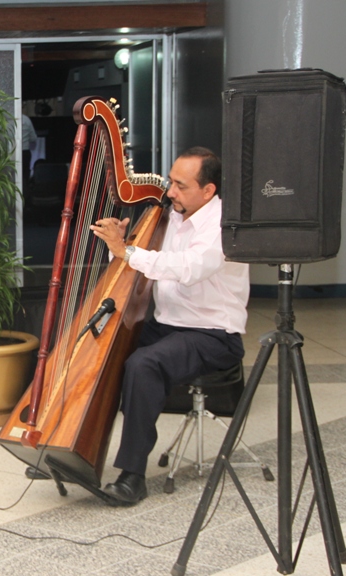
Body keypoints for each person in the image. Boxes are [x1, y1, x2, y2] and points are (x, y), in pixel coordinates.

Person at [89, 147, 250, 506]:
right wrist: (121, 244)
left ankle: (132, 476)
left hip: (213, 333)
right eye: (171, 181)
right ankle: (72, 447)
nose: (171, 191)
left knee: (143, 364)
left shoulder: (223, 225)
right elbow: (144, 261)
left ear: (208, 191)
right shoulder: (171, 215)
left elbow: (188, 268)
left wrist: (126, 251)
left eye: (181, 185)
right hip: (168, 326)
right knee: (99, 342)